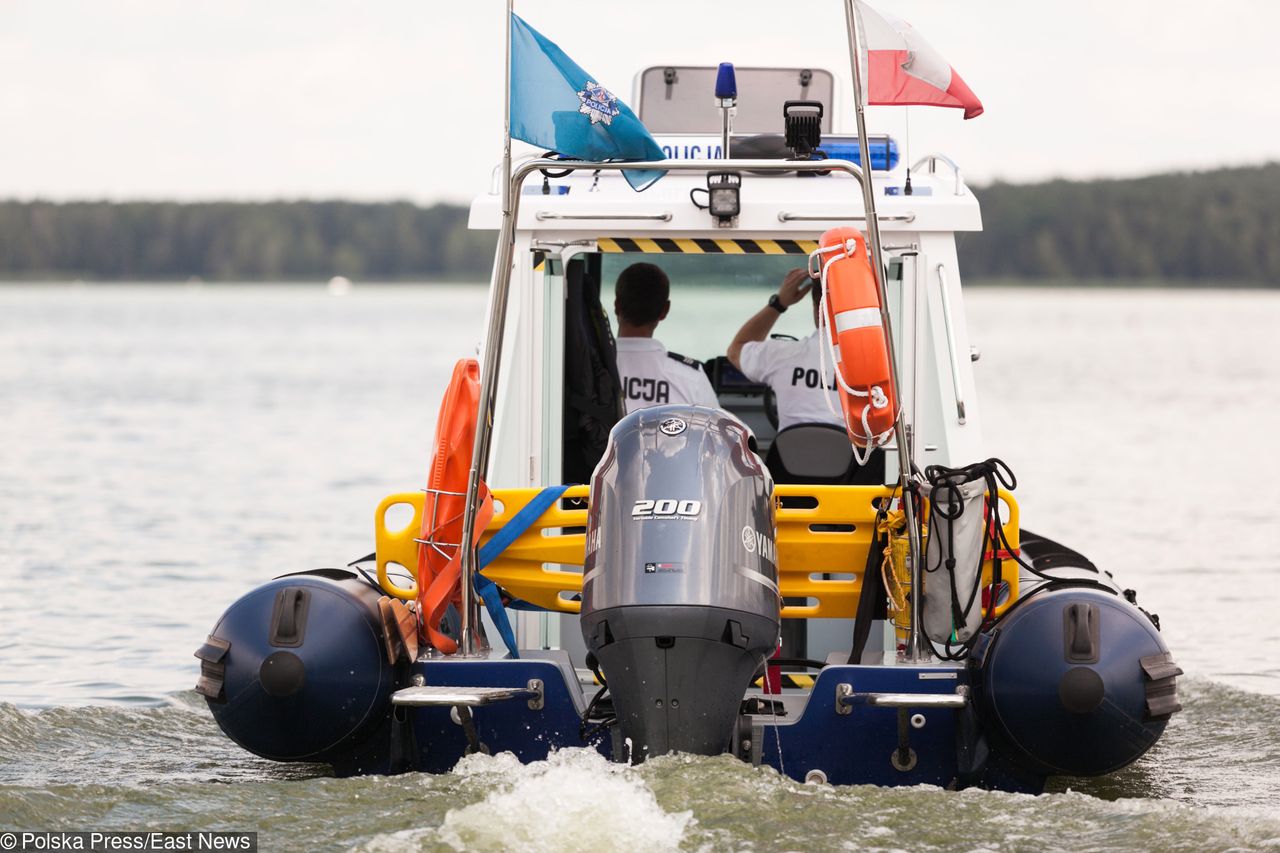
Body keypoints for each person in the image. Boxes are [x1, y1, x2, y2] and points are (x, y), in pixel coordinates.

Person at [727, 268, 843, 430]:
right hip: (852, 455)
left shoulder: (782, 355)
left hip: (787, 454)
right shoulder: (878, 362)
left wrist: (779, 304)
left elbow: (736, 350)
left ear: (818, 309)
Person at [613, 262, 719, 414]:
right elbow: (716, 434)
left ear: (617, 305)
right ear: (665, 310)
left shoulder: (588, 370)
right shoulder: (690, 377)